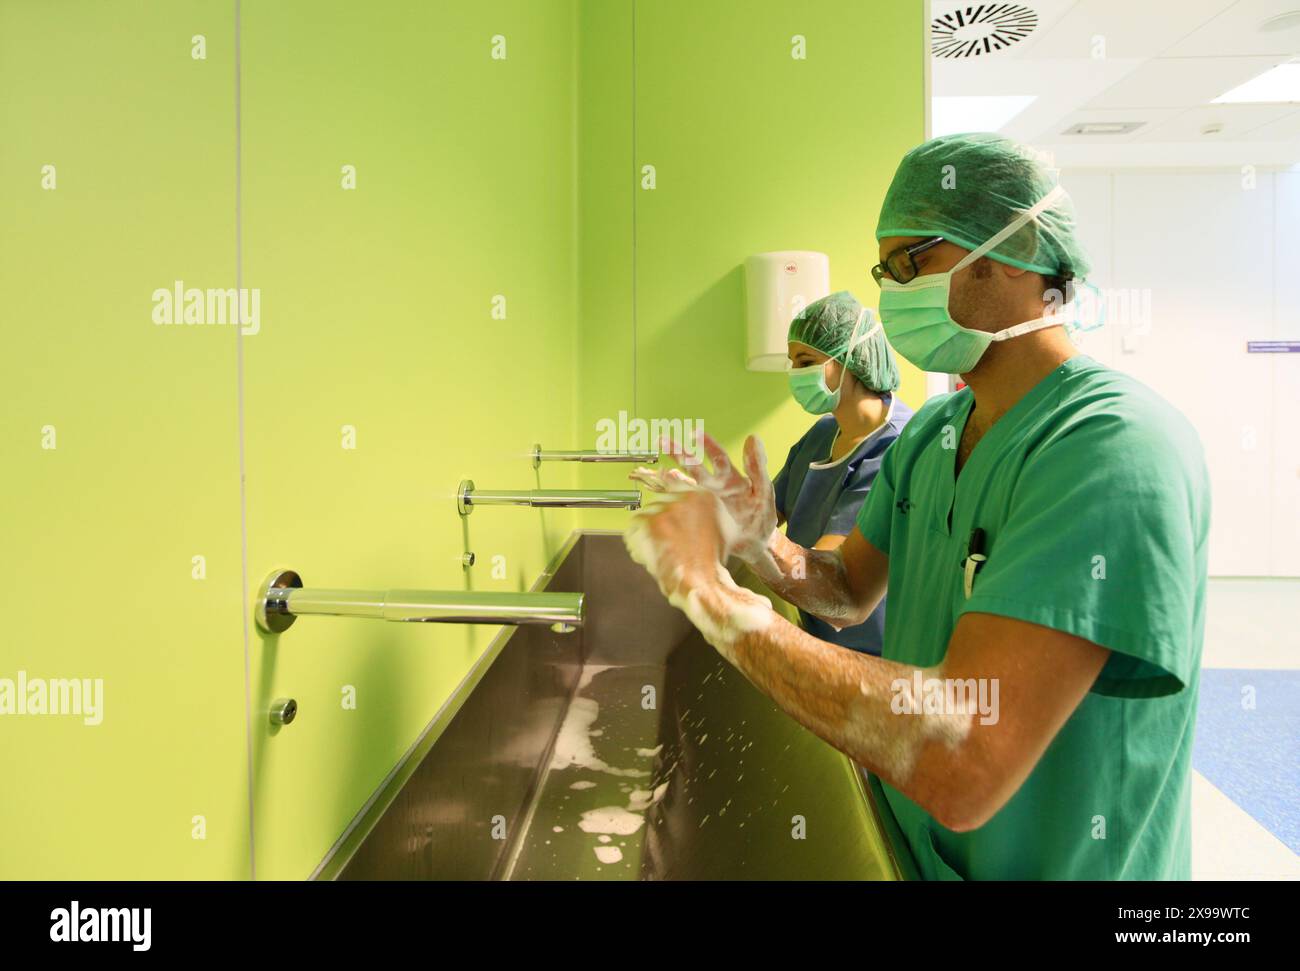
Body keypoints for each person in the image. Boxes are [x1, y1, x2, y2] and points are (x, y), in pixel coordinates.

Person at [623, 132, 1210, 880]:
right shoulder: (935, 432)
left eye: (912, 263)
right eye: (884, 270)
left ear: (1017, 249)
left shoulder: (1112, 447)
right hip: (916, 851)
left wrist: (714, 600)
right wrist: (761, 546)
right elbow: (845, 590)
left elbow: (962, 754)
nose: (892, 293)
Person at [775, 291, 912, 655]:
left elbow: (831, 574)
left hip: (874, 654)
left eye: (806, 361)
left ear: (851, 358)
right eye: (792, 363)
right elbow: (763, 512)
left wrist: (747, 543)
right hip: (818, 635)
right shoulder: (823, 432)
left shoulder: (896, 448)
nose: (795, 374)